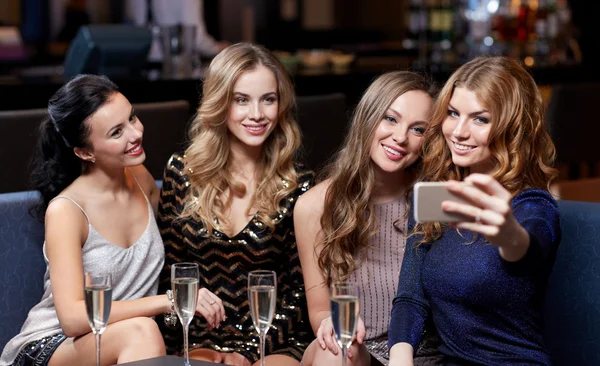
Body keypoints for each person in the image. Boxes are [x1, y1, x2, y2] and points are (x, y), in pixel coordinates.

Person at [0, 74, 222, 366]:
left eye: (132, 118)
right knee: (141, 330)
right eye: (116, 132)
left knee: (143, 332)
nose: (135, 134)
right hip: (54, 346)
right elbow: (73, 319)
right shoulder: (67, 210)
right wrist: (170, 300)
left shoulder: (141, 180)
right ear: (84, 151)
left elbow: (183, 249)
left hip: (127, 341)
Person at [388, 56, 561, 366]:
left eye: (480, 119)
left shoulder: (531, 205)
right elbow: (411, 298)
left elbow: (528, 247)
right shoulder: (436, 194)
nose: (458, 131)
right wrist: (400, 356)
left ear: (513, 128)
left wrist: (509, 235)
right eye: (453, 113)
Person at [157, 42, 314, 366]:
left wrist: (248, 350)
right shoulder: (182, 172)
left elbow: (300, 295)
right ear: (220, 103)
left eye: (267, 100)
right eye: (241, 100)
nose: (256, 114)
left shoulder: (300, 186)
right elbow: (169, 272)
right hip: (199, 336)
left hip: (277, 339)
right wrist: (180, 343)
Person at [295, 71, 438, 366]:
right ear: (368, 117)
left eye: (418, 129)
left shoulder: (432, 200)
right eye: (390, 118)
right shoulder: (314, 205)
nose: (400, 137)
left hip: (420, 356)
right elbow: (320, 310)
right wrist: (332, 324)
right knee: (335, 348)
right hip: (357, 352)